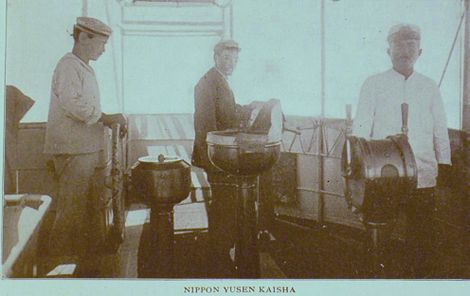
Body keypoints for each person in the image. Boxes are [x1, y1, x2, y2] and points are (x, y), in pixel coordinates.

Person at [352, 23, 452, 278]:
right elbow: (360, 129)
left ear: (421, 51)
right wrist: (357, 169)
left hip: (424, 173)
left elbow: (440, 128)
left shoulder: (429, 86)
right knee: (378, 236)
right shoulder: (373, 84)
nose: (405, 50)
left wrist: (445, 164)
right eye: (398, 44)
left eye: (411, 44)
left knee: (421, 238)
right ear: (388, 50)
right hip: (385, 175)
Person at [44, 17, 127, 277]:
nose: (103, 50)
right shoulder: (69, 66)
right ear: (83, 38)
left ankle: (77, 265)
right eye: (101, 44)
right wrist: (106, 117)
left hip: (83, 149)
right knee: (69, 212)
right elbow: (73, 102)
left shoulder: (82, 66)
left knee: (80, 212)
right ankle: (56, 268)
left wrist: (107, 118)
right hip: (73, 150)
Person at [192, 39, 252, 277]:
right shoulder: (207, 83)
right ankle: (219, 257)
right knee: (224, 206)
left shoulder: (220, 82)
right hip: (216, 157)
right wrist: (216, 160)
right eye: (227, 58)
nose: (231, 64)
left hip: (222, 156)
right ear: (215, 57)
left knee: (225, 205)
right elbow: (206, 126)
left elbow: (228, 109)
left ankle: (223, 251)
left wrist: (247, 108)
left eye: (235, 60)